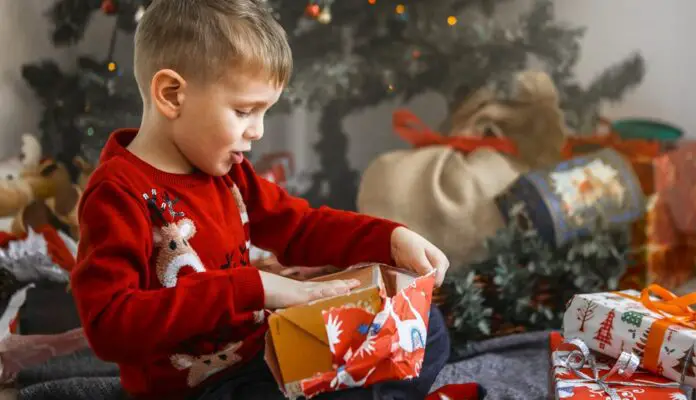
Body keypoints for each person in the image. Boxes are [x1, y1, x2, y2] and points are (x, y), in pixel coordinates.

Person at [70, 1, 451, 399]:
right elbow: (110, 326)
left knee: (427, 326)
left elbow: (301, 227)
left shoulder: (229, 173)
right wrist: (254, 288)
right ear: (172, 95)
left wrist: (390, 239)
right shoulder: (117, 193)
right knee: (351, 383)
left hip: (265, 357)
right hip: (201, 391)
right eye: (244, 111)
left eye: (264, 112)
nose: (258, 131)